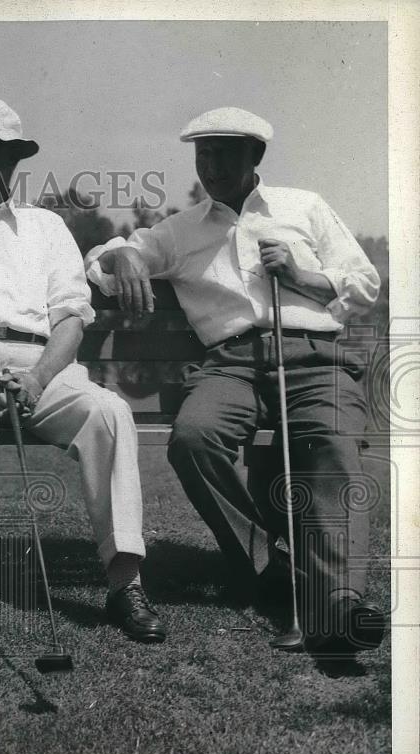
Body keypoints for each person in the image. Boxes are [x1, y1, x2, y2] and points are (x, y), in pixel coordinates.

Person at [85, 106, 384, 658]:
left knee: (333, 447)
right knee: (193, 438)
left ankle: (340, 604)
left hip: (314, 358)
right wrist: (123, 254)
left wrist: (303, 277)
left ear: (256, 157)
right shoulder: (184, 229)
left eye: (224, 153)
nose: (212, 165)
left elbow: (363, 282)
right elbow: (105, 262)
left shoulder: (304, 207)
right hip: (231, 364)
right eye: (203, 155)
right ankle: (273, 566)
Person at [0, 94, 166, 647]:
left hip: (42, 366)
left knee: (109, 412)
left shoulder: (47, 228)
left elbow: (71, 317)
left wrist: (40, 377)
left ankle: (125, 583)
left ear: (12, 161)